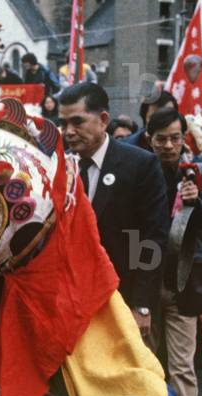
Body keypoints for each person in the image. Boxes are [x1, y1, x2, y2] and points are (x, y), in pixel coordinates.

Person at [58, 82, 169, 339]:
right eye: (64, 124)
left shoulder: (140, 165)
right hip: (71, 303)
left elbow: (152, 239)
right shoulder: (58, 166)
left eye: (77, 122)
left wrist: (142, 304)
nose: (69, 132)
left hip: (124, 299)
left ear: (103, 119)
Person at [146, 108, 202, 396]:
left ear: (184, 138)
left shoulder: (199, 171)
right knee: (144, 362)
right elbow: (135, 231)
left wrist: (195, 202)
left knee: (183, 366)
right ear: (150, 139)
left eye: (176, 138)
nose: (170, 145)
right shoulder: (142, 173)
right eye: (162, 139)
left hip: (184, 281)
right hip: (147, 282)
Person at [126, 86, 179, 151]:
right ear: (144, 118)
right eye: (155, 117)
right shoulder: (127, 148)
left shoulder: (184, 148)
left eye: (167, 117)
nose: (162, 122)